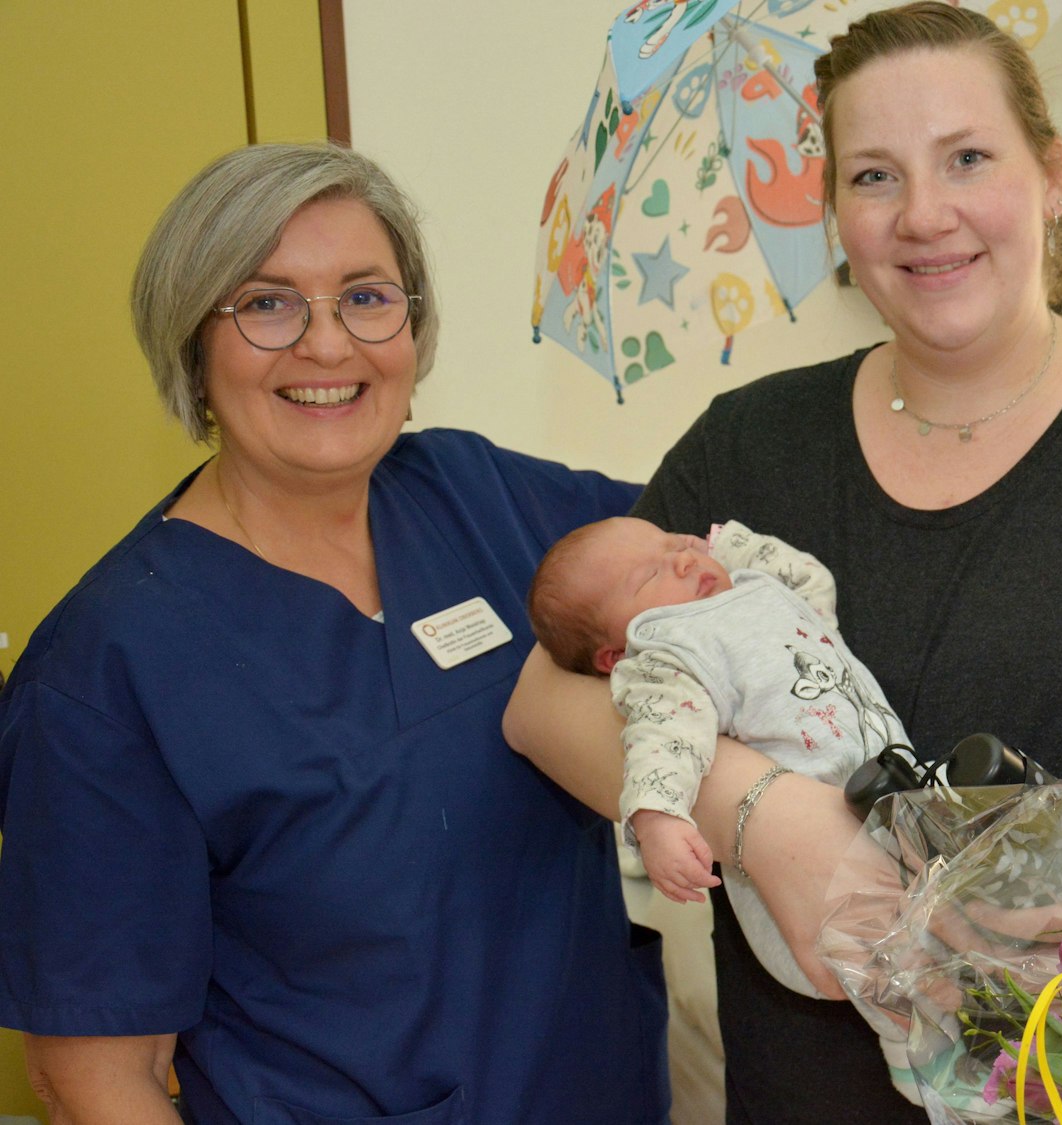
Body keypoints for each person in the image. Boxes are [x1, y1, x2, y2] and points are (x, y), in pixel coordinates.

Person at [505, 4, 1062, 1121]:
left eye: (966, 158)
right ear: (831, 212)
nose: (924, 215)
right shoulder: (748, 450)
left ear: (1051, 176)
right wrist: (757, 809)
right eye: (873, 176)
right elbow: (544, 701)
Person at [0, 144, 668, 1124]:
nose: (327, 345)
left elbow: (723, 550)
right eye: (266, 304)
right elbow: (97, 1075)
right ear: (194, 341)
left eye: (365, 296)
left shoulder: (477, 497)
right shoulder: (106, 671)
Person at [528, 515, 923, 1095]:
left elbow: (814, 585)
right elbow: (663, 740)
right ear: (613, 653)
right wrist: (657, 817)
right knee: (874, 948)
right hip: (817, 841)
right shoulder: (667, 652)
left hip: (896, 788)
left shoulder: (755, 590)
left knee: (957, 905)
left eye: (676, 544)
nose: (685, 559)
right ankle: (914, 1047)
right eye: (650, 574)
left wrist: (738, 546)